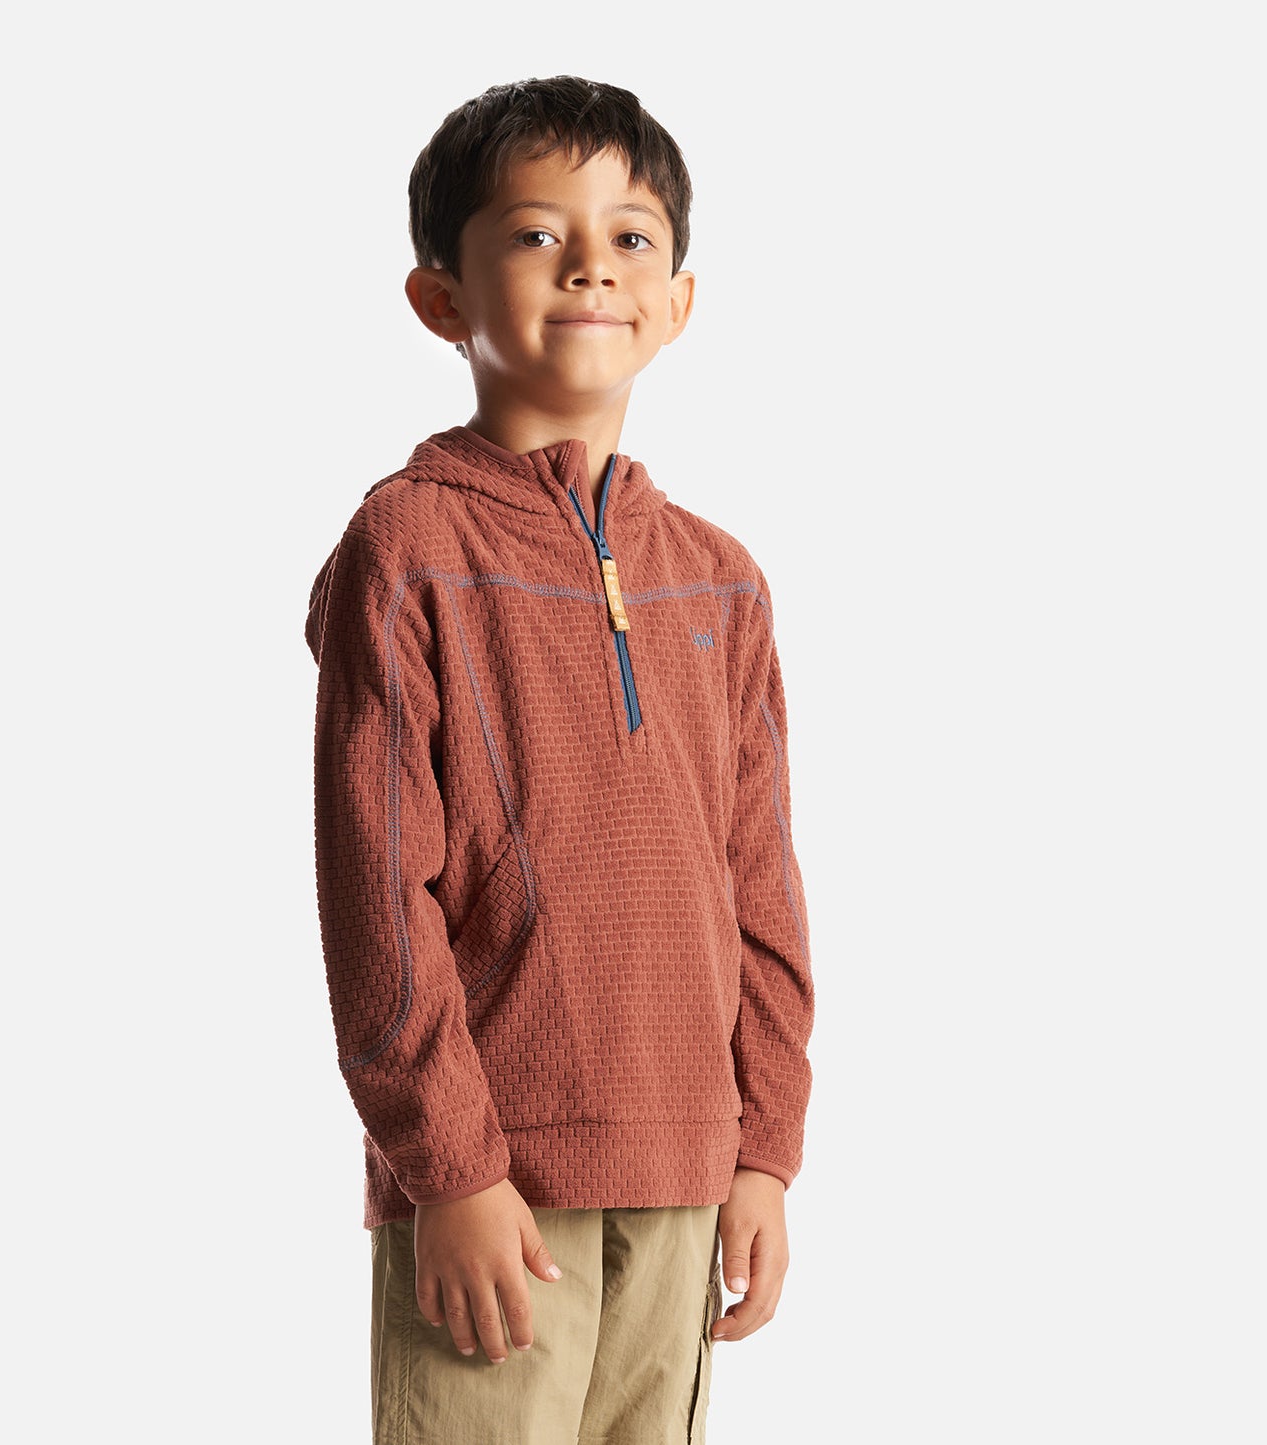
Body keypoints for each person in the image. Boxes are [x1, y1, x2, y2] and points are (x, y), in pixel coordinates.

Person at [304, 75, 815, 1444]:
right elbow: (377, 895)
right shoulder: (409, 547)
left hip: (689, 1165)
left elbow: (759, 883)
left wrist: (765, 1148)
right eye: (537, 234)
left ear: (678, 300)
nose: (591, 263)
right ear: (440, 298)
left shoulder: (720, 580)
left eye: (630, 236)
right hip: (494, 1183)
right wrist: (449, 1169)